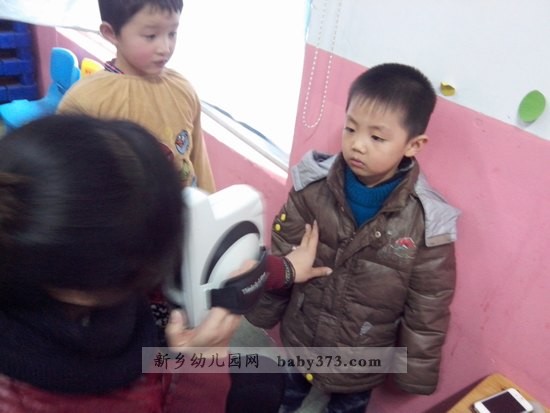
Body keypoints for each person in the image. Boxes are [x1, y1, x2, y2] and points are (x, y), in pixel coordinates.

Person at [0, 114, 330, 413]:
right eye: (163, 248)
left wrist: (287, 268)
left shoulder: (87, 250)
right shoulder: (43, 399)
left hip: (160, 357)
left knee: (265, 377)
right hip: (172, 378)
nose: (173, 250)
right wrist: (202, 364)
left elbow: (219, 265)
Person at [246, 63, 460, 413]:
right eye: (350, 129)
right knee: (285, 394)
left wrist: (415, 371)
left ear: (413, 144)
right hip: (303, 333)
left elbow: (429, 305)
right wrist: (263, 312)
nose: (357, 145)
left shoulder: (428, 222)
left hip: (363, 354)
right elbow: (285, 254)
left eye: (377, 137)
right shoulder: (312, 187)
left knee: (349, 406)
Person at [57, 0, 215, 192]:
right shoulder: (85, 100)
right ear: (111, 33)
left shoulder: (182, 88)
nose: (165, 48)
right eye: (151, 36)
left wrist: (210, 202)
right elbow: (67, 179)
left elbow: (199, 160)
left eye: (172, 33)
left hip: (186, 206)